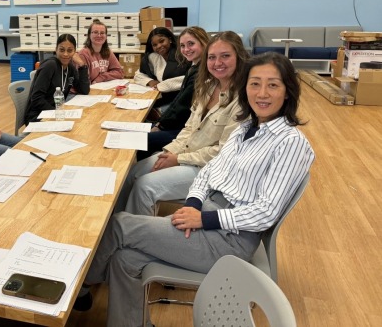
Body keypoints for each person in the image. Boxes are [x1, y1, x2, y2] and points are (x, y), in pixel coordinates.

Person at [76, 52, 315, 327]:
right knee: (124, 259)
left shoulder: (291, 143)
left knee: (118, 225)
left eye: (273, 85)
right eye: (255, 83)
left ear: (288, 92)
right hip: (207, 216)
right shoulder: (245, 128)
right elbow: (209, 172)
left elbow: (266, 213)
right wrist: (193, 204)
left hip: (230, 239)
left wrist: (204, 219)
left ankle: (74, 288)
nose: (262, 93)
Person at [124, 31, 249, 214]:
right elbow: (190, 127)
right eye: (212, 57)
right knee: (131, 173)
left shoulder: (243, 99)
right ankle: (116, 226)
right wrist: (170, 151)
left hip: (210, 168)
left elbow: (224, 151)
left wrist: (178, 159)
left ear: (239, 57)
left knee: (144, 186)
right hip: (186, 154)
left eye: (225, 56)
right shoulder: (208, 86)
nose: (217, 63)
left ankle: (132, 236)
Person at [139, 26, 210, 159]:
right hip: (182, 123)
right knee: (140, 128)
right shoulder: (193, 67)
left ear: (203, 42)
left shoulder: (201, 72)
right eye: (182, 45)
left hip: (186, 130)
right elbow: (180, 99)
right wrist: (161, 123)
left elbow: (183, 106)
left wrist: (161, 125)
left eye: (191, 44)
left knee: (142, 139)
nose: (186, 49)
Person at [23, 34, 90, 124]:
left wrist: (82, 65)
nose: (65, 54)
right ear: (56, 49)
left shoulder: (70, 67)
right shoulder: (50, 66)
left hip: (56, 113)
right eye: (62, 50)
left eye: (70, 50)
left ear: (75, 52)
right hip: (38, 116)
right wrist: (57, 113)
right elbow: (36, 98)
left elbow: (84, 90)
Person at [133, 27, 189, 109]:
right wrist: (150, 81)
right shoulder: (154, 57)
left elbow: (190, 78)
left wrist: (162, 85)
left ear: (169, 39)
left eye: (162, 41)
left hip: (182, 100)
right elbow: (138, 75)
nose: (159, 46)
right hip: (164, 97)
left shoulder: (183, 54)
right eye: (154, 45)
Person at [77, 19, 123, 84]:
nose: (99, 35)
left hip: (102, 88)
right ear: (89, 35)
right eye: (95, 32)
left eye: (102, 33)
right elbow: (84, 81)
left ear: (106, 36)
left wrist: (102, 77)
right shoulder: (83, 54)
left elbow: (119, 72)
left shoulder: (108, 52)